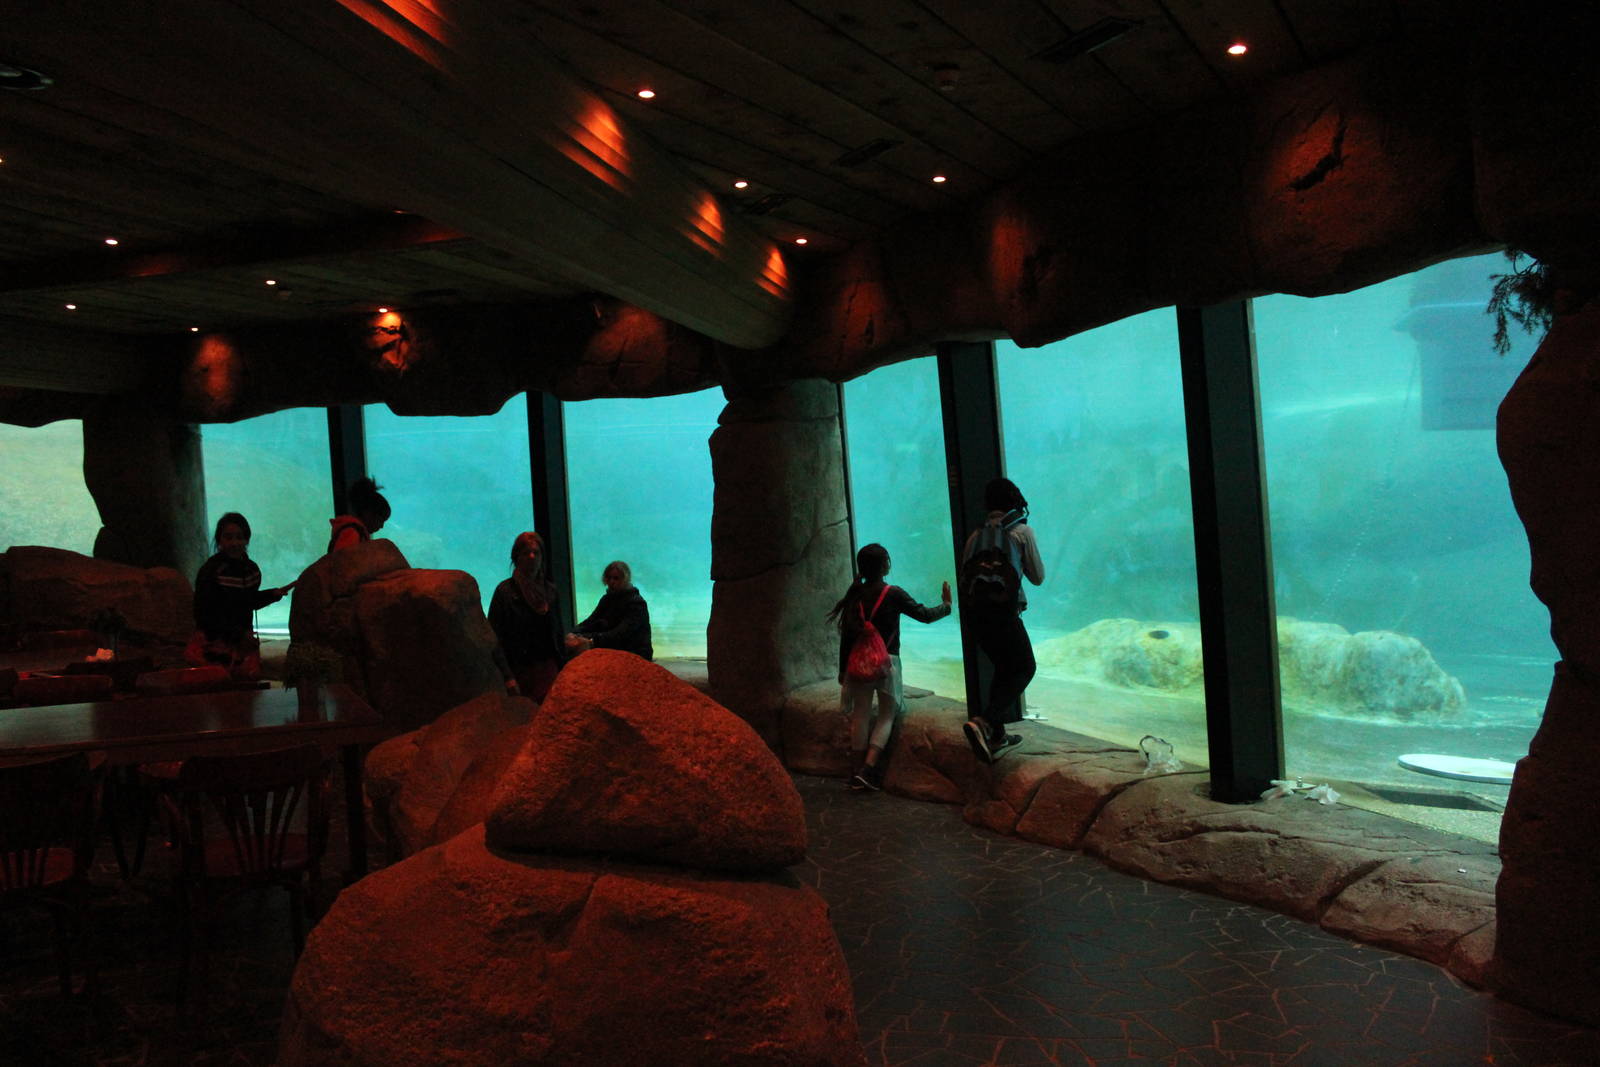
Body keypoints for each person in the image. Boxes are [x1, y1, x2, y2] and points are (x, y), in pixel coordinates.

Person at [828, 543, 951, 791]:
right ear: (885, 565)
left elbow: (847, 637)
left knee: (860, 714)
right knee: (887, 715)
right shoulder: (893, 593)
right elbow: (925, 615)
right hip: (888, 664)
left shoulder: (855, 595)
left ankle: (855, 769)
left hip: (859, 664)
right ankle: (868, 769)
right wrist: (946, 605)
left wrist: (843, 670)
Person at [959, 477, 1045, 764]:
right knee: (1025, 667)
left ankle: (997, 736)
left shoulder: (975, 536)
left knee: (1003, 667)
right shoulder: (1022, 532)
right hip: (1004, 615)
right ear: (1014, 501)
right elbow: (1038, 577)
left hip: (975, 617)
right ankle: (984, 722)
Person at [188, 512, 291, 679]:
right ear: (219, 540)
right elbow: (205, 613)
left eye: (239, 537)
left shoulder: (252, 570)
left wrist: (272, 594)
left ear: (246, 540)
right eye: (228, 537)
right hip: (215, 645)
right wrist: (238, 635)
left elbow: (247, 601)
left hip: (243, 644)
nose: (234, 543)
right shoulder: (211, 571)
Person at [487, 531, 567, 701]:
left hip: (549, 669)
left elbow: (558, 633)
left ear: (542, 557)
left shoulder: (550, 591)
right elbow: (494, 638)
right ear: (516, 557)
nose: (532, 557)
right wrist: (508, 677)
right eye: (525, 553)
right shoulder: (504, 592)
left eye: (536, 552)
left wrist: (563, 668)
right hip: (519, 671)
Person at [566, 561, 653, 661]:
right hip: (616, 648)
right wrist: (573, 633)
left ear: (625, 579)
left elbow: (620, 634)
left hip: (635, 653)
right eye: (609, 578)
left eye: (616, 578)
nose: (611, 582)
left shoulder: (636, 604)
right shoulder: (607, 599)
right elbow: (590, 622)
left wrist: (587, 639)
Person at [328, 476, 391, 552]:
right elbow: (343, 558)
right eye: (380, 520)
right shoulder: (352, 533)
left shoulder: (356, 533)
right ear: (368, 513)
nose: (381, 526)